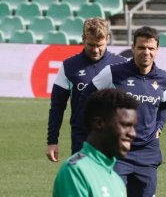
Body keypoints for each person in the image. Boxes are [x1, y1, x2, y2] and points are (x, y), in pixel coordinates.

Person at [81, 26, 166, 197]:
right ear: (132, 48)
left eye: (151, 48)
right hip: (118, 152)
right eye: (141, 47)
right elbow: (88, 96)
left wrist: (159, 125)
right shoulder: (114, 73)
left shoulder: (164, 79)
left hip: (148, 153)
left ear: (157, 49)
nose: (146, 52)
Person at [46, 17, 126, 162]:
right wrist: (52, 141)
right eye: (91, 44)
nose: (95, 50)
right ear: (83, 39)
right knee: (81, 182)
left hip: (113, 138)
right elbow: (57, 106)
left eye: (99, 45)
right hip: (81, 138)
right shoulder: (69, 66)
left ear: (107, 38)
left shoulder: (122, 65)